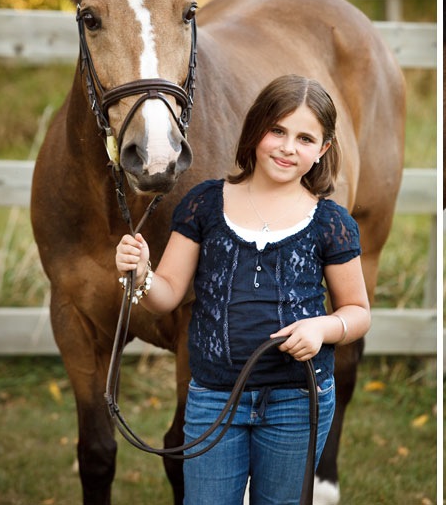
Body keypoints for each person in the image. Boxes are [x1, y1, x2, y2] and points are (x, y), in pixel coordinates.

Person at [115, 74, 370, 505]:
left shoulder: (330, 222)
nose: (288, 147)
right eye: (277, 131)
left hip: (297, 401)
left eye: (305, 138)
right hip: (214, 398)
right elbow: (168, 294)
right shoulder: (205, 204)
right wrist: (141, 275)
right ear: (255, 130)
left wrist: (323, 329)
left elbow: (357, 312)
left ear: (322, 149)